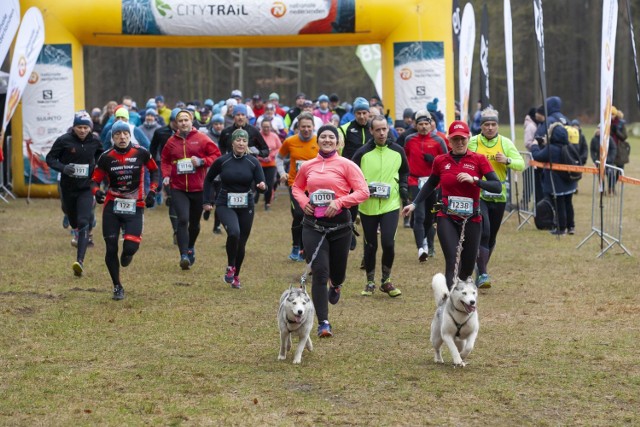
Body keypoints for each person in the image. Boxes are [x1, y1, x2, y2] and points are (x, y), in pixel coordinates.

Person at [291, 124, 370, 337]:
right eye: (323, 137)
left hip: (340, 226)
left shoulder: (347, 165)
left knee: (337, 272)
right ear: (318, 141)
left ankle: (336, 285)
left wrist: (341, 202)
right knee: (319, 271)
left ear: (337, 142)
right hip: (313, 225)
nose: (327, 140)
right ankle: (323, 322)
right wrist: (304, 201)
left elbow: (363, 192)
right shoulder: (308, 166)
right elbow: (297, 187)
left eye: (331, 137)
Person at [402, 120, 501, 290]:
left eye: (463, 139)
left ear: (468, 138)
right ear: (449, 141)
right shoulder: (441, 160)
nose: (460, 143)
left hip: (472, 218)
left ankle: (460, 287)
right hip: (447, 216)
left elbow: (497, 186)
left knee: (468, 265)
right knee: (453, 259)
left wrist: (475, 180)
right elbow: (431, 183)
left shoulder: (478, 159)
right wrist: (415, 203)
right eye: (455, 139)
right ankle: (450, 301)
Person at [90, 120, 159, 300]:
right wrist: (97, 192)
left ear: (130, 136)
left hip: (135, 205)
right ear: (112, 137)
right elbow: (94, 180)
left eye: (125, 134)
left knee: (129, 248)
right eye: (118, 135)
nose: (122, 137)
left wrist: (152, 191)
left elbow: (155, 171)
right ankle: (117, 286)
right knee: (111, 247)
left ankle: (127, 255)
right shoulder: (106, 157)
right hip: (112, 206)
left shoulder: (141, 153)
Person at [352, 115, 408, 298]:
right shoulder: (362, 153)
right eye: (378, 130)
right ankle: (369, 282)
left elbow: (404, 171)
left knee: (388, 244)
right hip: (367, 206)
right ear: (371, 131)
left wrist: (403, 188)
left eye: (384, 129)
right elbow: (351, 175)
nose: (382, 133)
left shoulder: (398, 151)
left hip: (390, 205)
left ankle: (386, 280)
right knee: (370, 246)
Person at [468, 107, 525, 288]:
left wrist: (507, 160)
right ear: (481, 126)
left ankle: (480, 267)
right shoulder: (474, 142)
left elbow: (521, 164)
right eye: (487, 125)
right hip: (479, 192)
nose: (490, 128)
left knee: (491, 237)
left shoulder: (505, 143)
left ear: (497, 126)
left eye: (493, 125)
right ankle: (483, 273)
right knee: (483, 232)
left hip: (499, 195)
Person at [203, 129, 266, 289]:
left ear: (247, 144)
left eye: (244, 141)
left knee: (242, 243)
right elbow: (208, 179)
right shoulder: (222, 161)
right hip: (225, 202)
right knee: (234, 233)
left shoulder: (253, 161)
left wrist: (261, 186)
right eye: (238, 140)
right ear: (232, 142)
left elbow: (262, 184)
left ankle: (236, 275)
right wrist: (207, 200)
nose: (241, 143)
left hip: (246, 204)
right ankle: (231, 266)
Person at [161, 109, 221, 269]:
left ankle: (190, 247)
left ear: (191, 121)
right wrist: (166, 175)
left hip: (198, 188)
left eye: (186, 120)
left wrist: (202, 161)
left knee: (194, 224)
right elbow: (165, 159)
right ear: (176, 124)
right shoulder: (171, 141)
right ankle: (183, 255)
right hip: (178, 187)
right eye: (180, 121)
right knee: (182, 219)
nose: (183, 123)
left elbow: (216, 155)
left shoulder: (201, 139)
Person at [46, 111, 104, 277]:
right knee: (73, 221)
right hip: (68, 188)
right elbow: (50, 159)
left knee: (84, 221)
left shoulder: (95, 140)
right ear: (74, 126)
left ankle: (79, 261)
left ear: (90, 128)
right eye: (79, 127)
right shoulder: (64, 140)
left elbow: (101, 154)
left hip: (86, 188)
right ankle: (76, 229)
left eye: (86, 127)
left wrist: (98, 167)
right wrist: (64, 168)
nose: (83, 131)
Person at [403, 110, 448, 261]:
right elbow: (404, 157)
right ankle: (421, 248)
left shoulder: (438, 140)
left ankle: (430, 245)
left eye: (426, 124)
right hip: (415, 181)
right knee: (419, 215)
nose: (423, 127)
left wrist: (434, 159)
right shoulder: (409, 139)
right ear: (415, 125)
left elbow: (446, 161)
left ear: (431, 124)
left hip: (433, 183)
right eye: (420, 124)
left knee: (431, 217)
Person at [276, 112, 319, 261]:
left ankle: (307, 248)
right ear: (298, 127)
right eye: (303, 127)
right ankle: (296, 246)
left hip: (315, 186)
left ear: (313, 127)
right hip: (295, 185)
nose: (306, 129)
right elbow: (279, 157)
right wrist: (282, 172)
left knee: (313, 216)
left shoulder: (319, 141)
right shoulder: (290, 141)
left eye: (309, 126)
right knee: (299, 215)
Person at [530, 123, 578, 235]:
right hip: (569, 182)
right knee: (568, 204)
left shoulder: (551, 149)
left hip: (557, 183)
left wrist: (535, 145)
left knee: (559, 206)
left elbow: (537, 156)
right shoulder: (568, 145)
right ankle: (571, 226)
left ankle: (561, 229)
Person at [256, 118, 282, 210]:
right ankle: (256, 196)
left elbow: (279, 148)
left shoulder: (274, 136)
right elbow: (253, 149)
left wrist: (271, 156)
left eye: (268, 127)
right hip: (259, 164)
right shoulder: (258, 136)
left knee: (270, 183)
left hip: (271, 163)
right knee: (259, 182)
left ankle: (267, 203)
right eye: (264, 127)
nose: (266, 129)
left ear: (271, 127)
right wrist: (261, 157)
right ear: (261, 127)